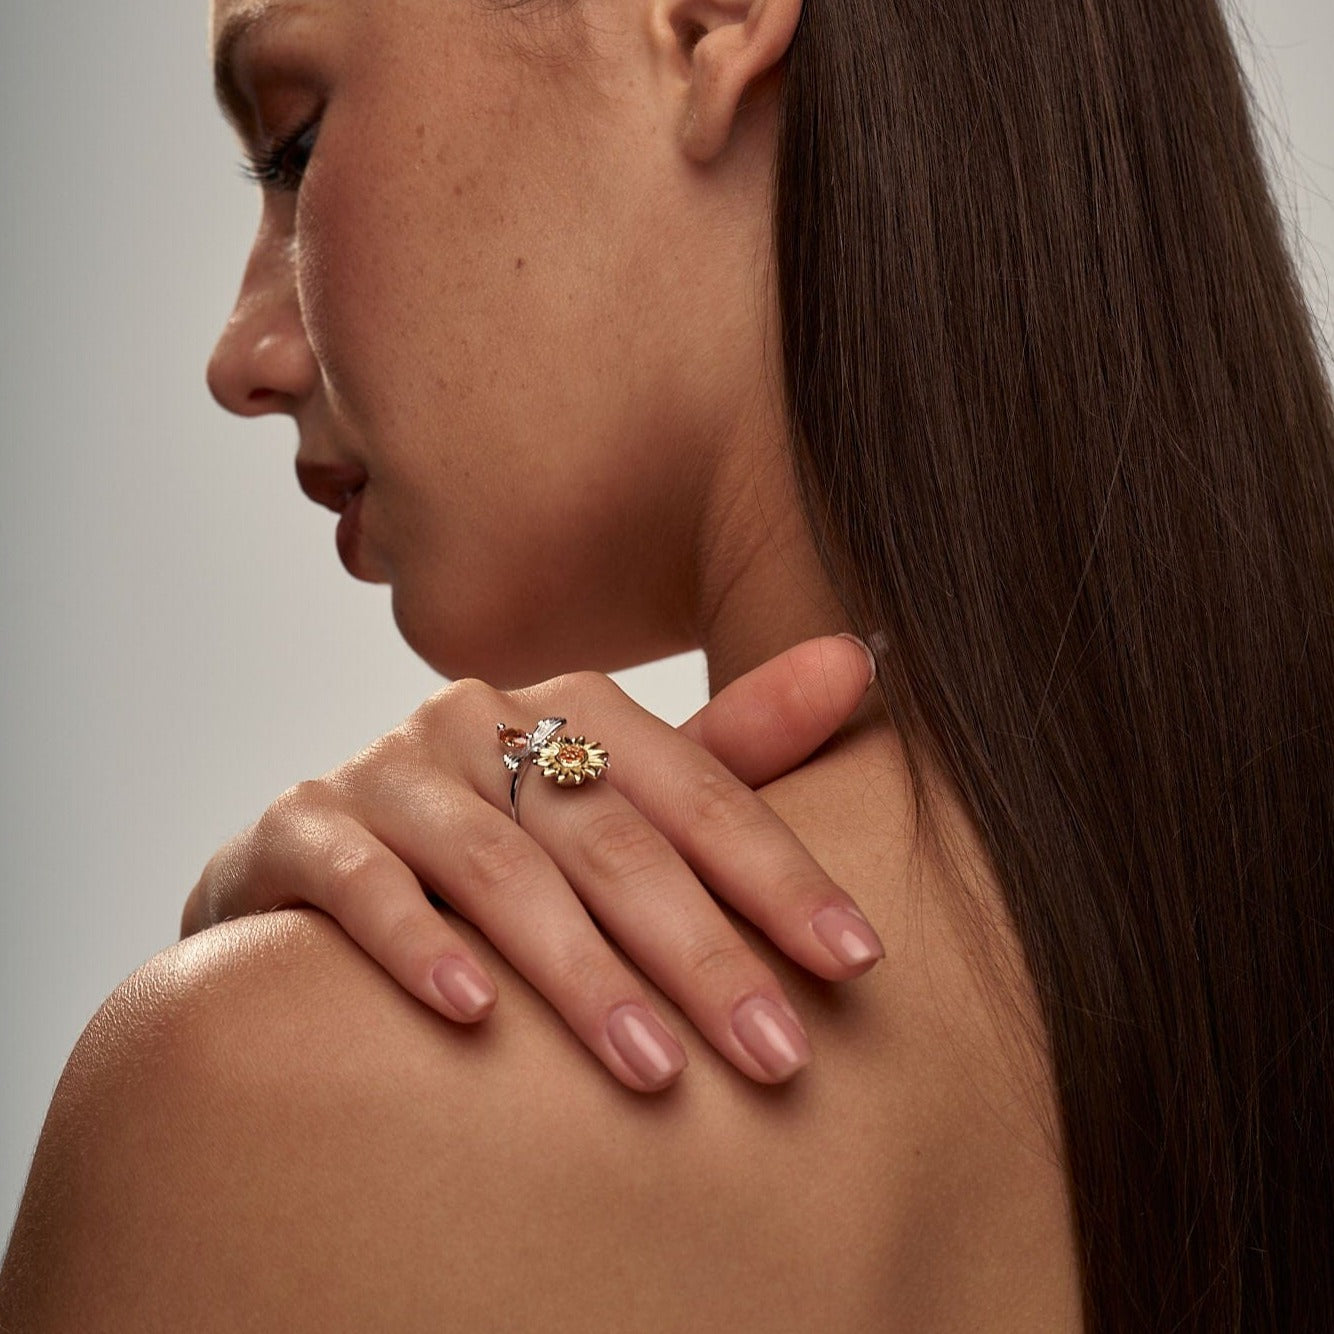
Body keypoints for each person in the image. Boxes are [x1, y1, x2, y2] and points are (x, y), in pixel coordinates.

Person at [1, 0, 1330, 1327]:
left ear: (708, 21)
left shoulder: (283, 1114)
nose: (243, 358)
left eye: (294, 145)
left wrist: (229, 1048)